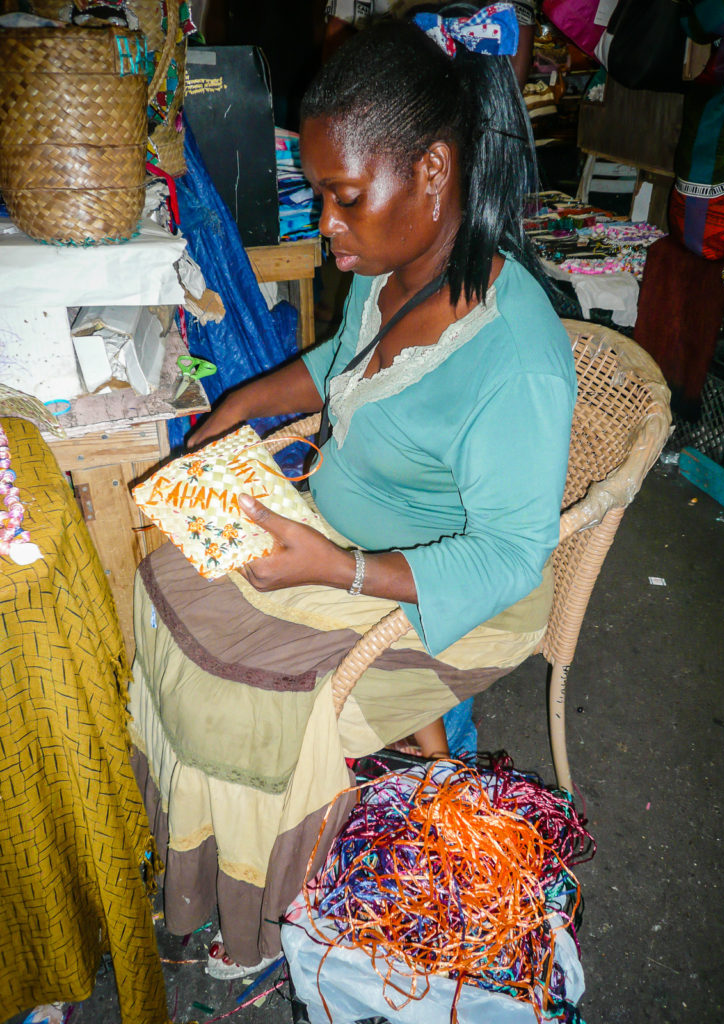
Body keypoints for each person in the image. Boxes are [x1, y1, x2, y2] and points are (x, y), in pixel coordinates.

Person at [128, 5, 576, 981]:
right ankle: (213, 856)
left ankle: (242, 918)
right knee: (164, 578)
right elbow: (344, 360)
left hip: (444, 593)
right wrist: (244, 402)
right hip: (341, 530)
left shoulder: (516, 360)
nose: (325, 223)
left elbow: (508, 557)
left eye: (341, 197)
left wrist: (334, 566)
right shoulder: (397, 264)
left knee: (234, 698)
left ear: (432, 174)